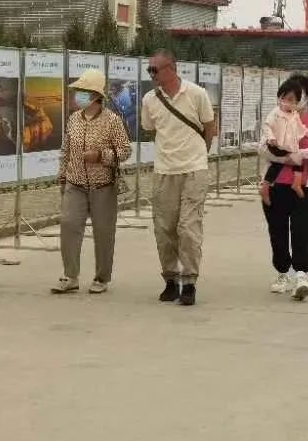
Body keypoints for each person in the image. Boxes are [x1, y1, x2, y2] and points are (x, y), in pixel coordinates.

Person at [141, 49, 216, 306]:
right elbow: (151, 129)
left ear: (171, 68)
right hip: (164, 171)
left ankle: (190, 281)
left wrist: (200, 154)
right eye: (149, 70)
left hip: (194, 169)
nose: (151, 74)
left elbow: (209, 127)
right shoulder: (150, 100)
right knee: (165, 229)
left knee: (188, 227)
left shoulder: (197, 94)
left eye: (155, 69)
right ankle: (171, 280)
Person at [51, 69, 131, 294]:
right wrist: (62, 176)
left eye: (82, 91)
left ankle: (102, 277)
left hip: (103, 185)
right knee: (68, 225)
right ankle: (70, 276)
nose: (77, 95)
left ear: (95, 95)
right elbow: (66, 150)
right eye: (77, 91)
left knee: (103, 233)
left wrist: (101, 156)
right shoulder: (73, 119)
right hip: (74, 183)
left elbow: (125, 151)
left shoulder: (112, 121)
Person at [259, 75, 308, 300]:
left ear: (307, 97)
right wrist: (285, 158)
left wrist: (300, 154)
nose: (293, 100)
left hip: (306, 188)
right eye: (288, 95)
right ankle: (282, 273)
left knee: (301, 231)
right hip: (277, 186)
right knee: (277, 231)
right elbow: (262, 147)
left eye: (299, 95)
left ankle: (301, 274)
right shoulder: (276, 116)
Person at [259, 80, 308, 206]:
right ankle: (266, 187)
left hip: (288, 145)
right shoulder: (276, 112)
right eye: (283, 98)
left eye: (290, 99)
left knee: (297, 162)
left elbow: (299, 127)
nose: (285, 101)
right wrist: (271, 138)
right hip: (276, 145)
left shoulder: (294, 114)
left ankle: (295, 184)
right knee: (280, 164)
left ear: (297, 102)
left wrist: (306, 132)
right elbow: (266, 125)